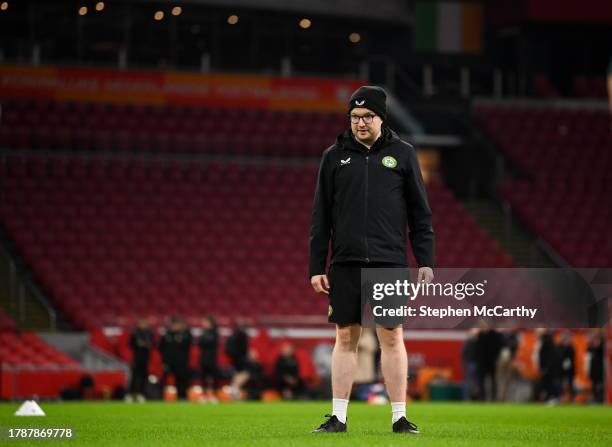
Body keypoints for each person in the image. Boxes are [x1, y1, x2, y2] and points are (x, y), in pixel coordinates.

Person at [308, 86, 434, 434]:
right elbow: (321, 218)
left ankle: (399, 417)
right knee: (345, 336)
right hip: (345, 261)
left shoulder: (404, 154)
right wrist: (316, 266)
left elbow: (420, 214)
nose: (360, 123)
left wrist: (425, 260)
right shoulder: (333, 157)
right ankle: (338, 417)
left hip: (389, 261)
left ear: (381, 118)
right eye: (355, 117)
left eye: (367, 117)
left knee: (391, 337)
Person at [159, 316, 193, 400]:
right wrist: (165, 358)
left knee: (181, 380)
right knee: (165, 379)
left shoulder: (185, 335)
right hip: (168, 361)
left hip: (181, 362)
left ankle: (182, 397)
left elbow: (188, 345)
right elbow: (160, 347)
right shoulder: (167, 335)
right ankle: (162, 396)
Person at [126, 317, 154, 403]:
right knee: (134, 377)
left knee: (144, 377)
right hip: (136, 358)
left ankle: (142, 394)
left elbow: (152, 345)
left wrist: (144, 344)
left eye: (145, 323)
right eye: (142, 323)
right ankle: (130, 395)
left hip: (145, 359)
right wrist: (139, 344)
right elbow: (130, 344)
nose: (143, 325)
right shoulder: (135, 333)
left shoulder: (149, 333)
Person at [198, 316, 219, 403]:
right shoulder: (203, 333)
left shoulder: (214, 332)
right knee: (203, 377)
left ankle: (214, 395)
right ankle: (204, 395)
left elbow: (209, 342)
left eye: (206, 322)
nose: (204, 324)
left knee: (213, 377)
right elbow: (200, 343)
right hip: (203, 358)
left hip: (212, 358)